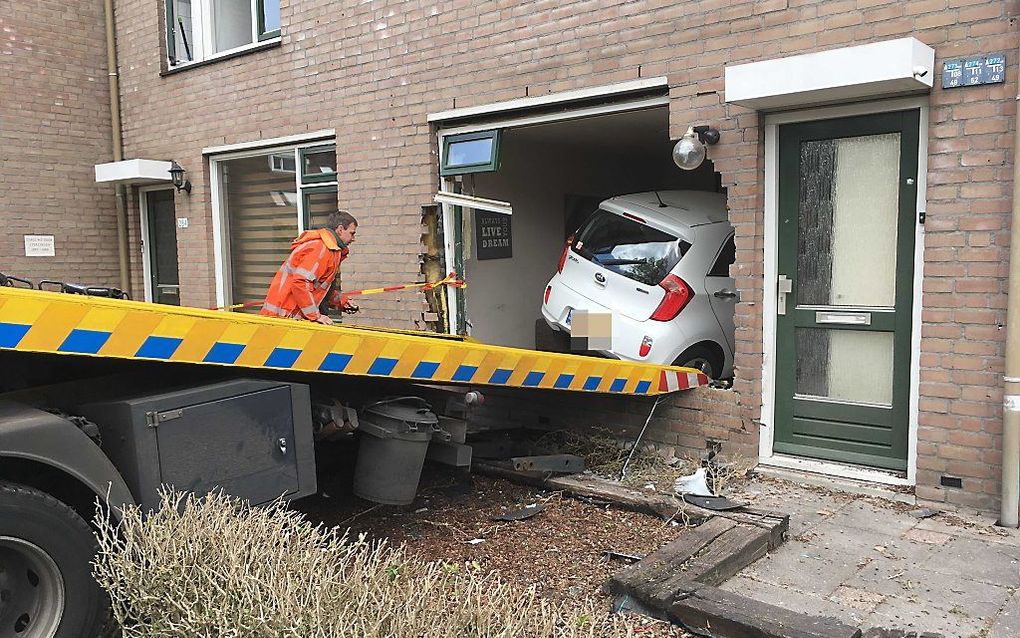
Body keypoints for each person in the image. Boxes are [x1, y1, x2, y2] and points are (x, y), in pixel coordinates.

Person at [260, 210, 359, 325]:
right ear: (340, 229)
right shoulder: (321, 248)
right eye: (352, 233)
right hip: (285, 317)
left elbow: (319, 288)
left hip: (286, 317)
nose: (353, 239)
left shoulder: (331, 250)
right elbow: (301, 283)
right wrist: (315, 316)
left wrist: (342, 301)